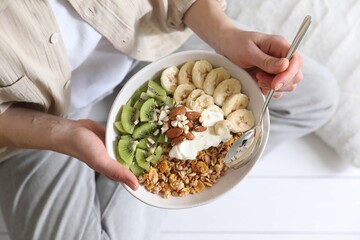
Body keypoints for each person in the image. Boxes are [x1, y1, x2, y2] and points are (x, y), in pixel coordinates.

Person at [0, 0, 339, 239]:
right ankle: (154, 185)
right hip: (37, 119)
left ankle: (152, 183)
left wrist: (223, 33)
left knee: (318, 95)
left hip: (148, 49)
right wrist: (62, 135)